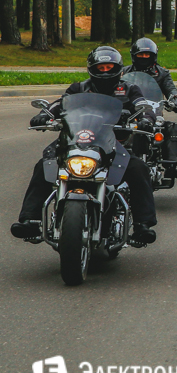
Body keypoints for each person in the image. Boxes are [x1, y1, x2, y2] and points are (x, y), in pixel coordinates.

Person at [10, 47, 158, 244]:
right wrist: (45, 114)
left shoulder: (129, 89)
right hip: (76, 140)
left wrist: (146, 118)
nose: (105, 71)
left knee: (138, 168)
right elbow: (60, 104)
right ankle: (31, 219)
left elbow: (143, 106)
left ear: (118, 68)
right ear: (92, 68)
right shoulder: (78, 88)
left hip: (113, 142)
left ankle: (142, 225)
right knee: (44, 164)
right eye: (101, 67)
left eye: (109, 67)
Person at [122, 38, 177, 179]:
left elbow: (171, 89)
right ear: (134, 56)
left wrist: (175, 100)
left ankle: (170, 166)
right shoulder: (124, 72)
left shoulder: (162, 73)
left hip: (153, 113)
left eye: (147, 55)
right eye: (140, 55)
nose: (144, 58)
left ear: (153, 56)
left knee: (173, 129)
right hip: (131, 112)